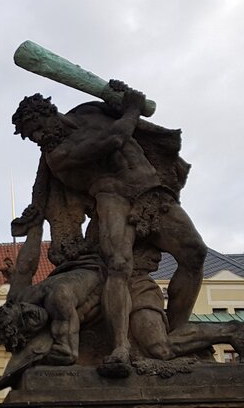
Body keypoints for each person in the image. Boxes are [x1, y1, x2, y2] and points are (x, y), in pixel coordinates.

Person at [12, 84, 207, 377]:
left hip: (153, 192)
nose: (38, 138)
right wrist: (131, 108)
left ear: (50, 114)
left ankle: (178, 328)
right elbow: (114, 138)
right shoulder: (59, 156)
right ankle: (120, 347)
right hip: (113, 199)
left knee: (195, 255)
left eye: (38, 128)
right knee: (118, 265)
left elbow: (121, 117)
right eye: (32, 136)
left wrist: (118, 95)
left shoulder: (89, 112)